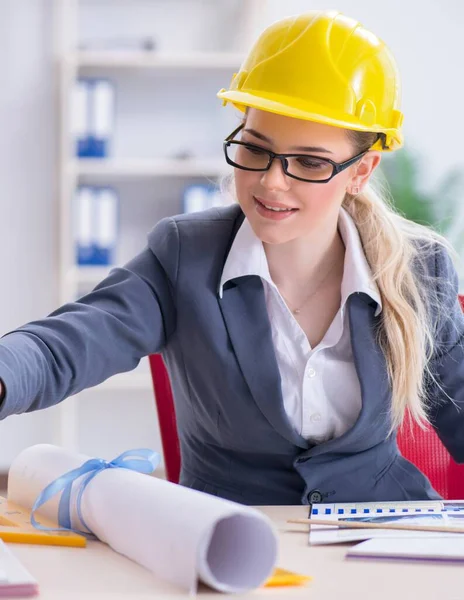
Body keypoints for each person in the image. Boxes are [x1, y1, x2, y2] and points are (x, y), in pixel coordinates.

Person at [0, 10, 463, 506]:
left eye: (308, 162)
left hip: (386, 543)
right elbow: (61, 348)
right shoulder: (185, 256)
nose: (270, 181)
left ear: (361, 171)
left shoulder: (417, 268)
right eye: (255, 148)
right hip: (234, 548)